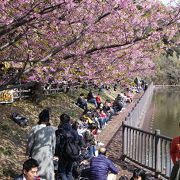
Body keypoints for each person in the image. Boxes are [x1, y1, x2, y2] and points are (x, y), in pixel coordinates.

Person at [26, 109, 56, 180]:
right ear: (48, 119)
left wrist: (28, 154)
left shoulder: (35, 128)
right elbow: (53, 145)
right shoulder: (51, 130)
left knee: (35, 174)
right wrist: (52, 154)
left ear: (40, 118)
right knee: (47, 175)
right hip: (47, 156)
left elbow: (30, 143)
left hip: (36, 154)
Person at [56, 113, 80, 180]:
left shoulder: (60, 130)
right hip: (73, 153)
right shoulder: (73, 130)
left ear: (61, 121)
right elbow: (77, 141)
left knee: (62, 172)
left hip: (63, 154)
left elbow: (58, 143)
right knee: (69, 172)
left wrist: (57, 153)